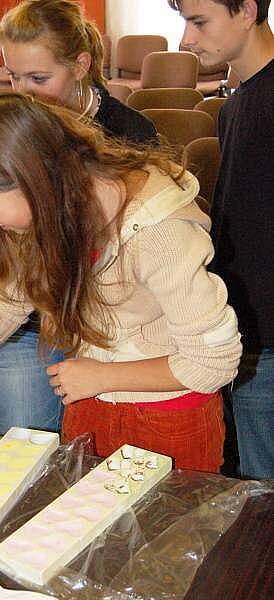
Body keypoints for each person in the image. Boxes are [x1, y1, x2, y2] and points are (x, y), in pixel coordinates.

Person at [0, 90, 242, 472]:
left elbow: (213, 362)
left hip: (169, 418)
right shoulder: (51, 209)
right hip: (89, 398)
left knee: (168, 530)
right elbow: (6, 306)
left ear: (34, 179)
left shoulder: (160, 233)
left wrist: (103, 376)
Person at [0, 0, 156, 434]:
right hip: (35, 317)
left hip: (113, 321)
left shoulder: (130, 133)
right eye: (13, 76)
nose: (23, 92)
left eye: (39, 78)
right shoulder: (15, 128)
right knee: (22, 449)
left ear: (81, 65)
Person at [168, 0, 273, 479]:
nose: (187, 40)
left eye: (199, 21)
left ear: (247, 11)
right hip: (245, 321)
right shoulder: (237, 107)